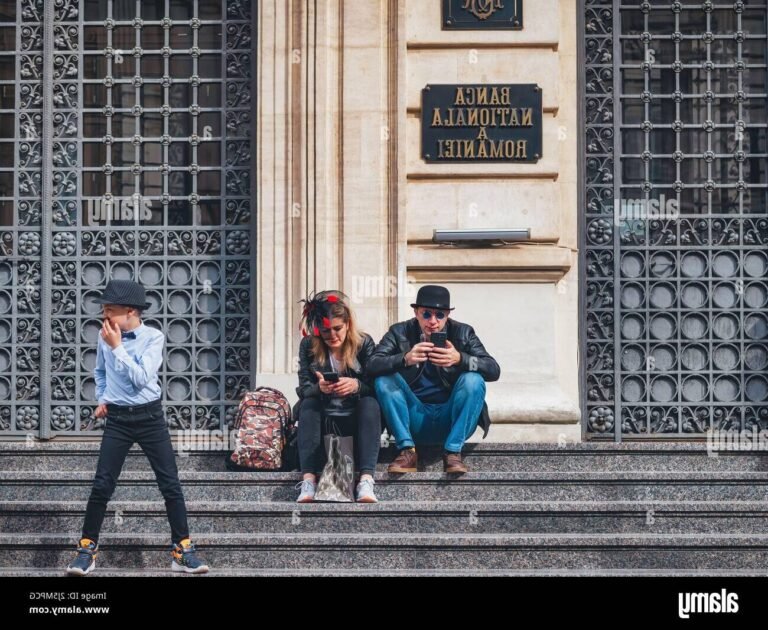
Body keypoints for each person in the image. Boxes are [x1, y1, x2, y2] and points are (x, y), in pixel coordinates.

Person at [66, 279, 209, 576]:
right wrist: (103, 397)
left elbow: (142, 378)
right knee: (102, 484)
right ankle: (86, 549)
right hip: (117, 419)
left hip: (149, 418)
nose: (105, 316)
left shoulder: (153, 337)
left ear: (130, 311)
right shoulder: (105, 336)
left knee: (169, 484)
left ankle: (182, 550)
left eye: (110, 310)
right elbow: (100, 372)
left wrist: (117, 347)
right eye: (103, 309)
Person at [367, 285, 500, 474]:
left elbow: (493, 370)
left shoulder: (463, 332)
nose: (433, 321)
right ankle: (407, 451)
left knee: (474, 380)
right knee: (384, 380)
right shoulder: (399, 332)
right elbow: (372, 365)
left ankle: (453, 452)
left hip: (450, 419)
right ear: (416, 312)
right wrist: (404, 359)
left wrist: (460, 359)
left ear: (447, 315)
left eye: (440, 315)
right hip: (414, 418)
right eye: (426, 314)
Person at [294, 290, 382, 503]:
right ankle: (308, 481)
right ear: (317, 330)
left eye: (337, 329)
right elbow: (304, 389)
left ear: (348, 323)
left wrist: (356, 385)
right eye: (325, 331)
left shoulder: (363, 343)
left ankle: (366, 480)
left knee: (370, 403)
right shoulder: (309, 346)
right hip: (324, 418)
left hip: (355, 418)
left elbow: (377, 386)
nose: (332, 336)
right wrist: (320, 388)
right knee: (309, 404)